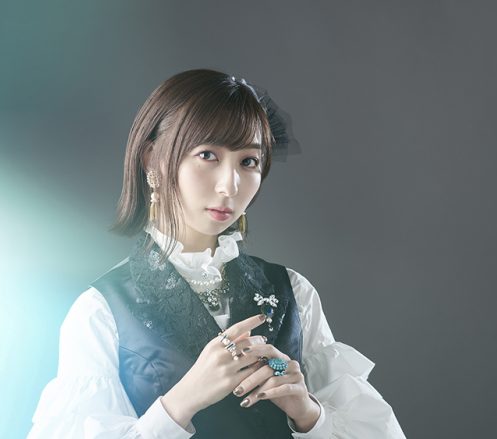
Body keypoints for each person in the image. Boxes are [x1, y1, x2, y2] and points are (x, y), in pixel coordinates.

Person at [27, 69, 406, 438]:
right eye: (208, 155)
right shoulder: (101, 311)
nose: (230, 185)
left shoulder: (293, 291)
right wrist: (180, 403)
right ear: (152, 159)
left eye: (248, 161)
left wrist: (308, 414)